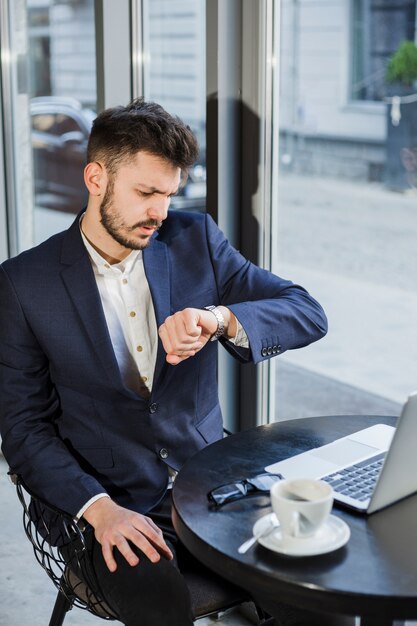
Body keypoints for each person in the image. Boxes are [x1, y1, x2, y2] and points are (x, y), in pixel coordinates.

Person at [0, 98, 328, 626]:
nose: (161, 211)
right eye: (146, 192)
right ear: (96, 178)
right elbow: (22, 428)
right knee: (160, 604)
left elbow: (307, 312)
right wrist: (99, 509)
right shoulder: (22, 284)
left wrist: (219, 318)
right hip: (106, 496)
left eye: (169, 194)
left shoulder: (194, 238)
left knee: (316, 591)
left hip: (210, 480)